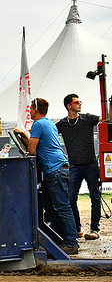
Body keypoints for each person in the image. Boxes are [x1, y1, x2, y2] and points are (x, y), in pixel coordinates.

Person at [14, 97, 79, 255]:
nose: (29, 111)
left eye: (30, 108)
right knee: (50, 206)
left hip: (54, 170)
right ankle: (60, 237)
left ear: (36, 110)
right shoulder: (48, 123)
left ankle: (71, 242)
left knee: (62, 207)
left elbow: (32, 150)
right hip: (59, 168)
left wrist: (25, 138)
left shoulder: (37, 124)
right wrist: (23, 134)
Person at [56, 94, 102, 240]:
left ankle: (95, 229)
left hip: (90, 164)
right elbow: (49, 134)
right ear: (69, 106)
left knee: (95, 197)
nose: (80, 104)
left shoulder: (87, 118)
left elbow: (105, 119)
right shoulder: (62, 124)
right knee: (70, 199)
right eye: (77, 102)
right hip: (74, 166)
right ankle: (77, 229)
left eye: (80, 101)